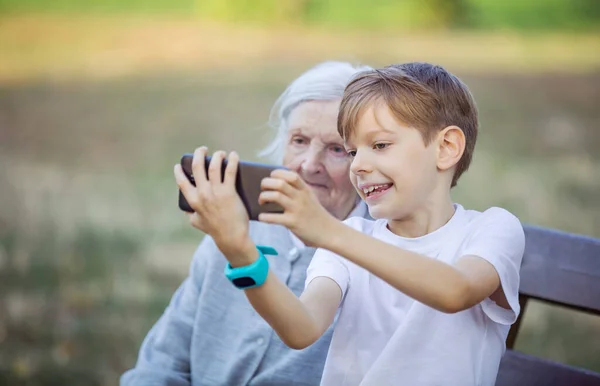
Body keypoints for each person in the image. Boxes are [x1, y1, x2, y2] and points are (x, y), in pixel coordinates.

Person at [180, 62, 526, 386]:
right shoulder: (349, 240)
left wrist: (329, 232)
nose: (358, 165)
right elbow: (301, 328)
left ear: (447, 147)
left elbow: (456, 291)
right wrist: (241, 254)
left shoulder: (490, 229)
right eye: (351, 152)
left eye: (379, 145)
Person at [120, 60, 372, 386]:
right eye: (298, 140)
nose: (309, 164)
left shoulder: (375, 252)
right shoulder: (234, 226)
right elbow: (164, 359)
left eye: (336, 149)